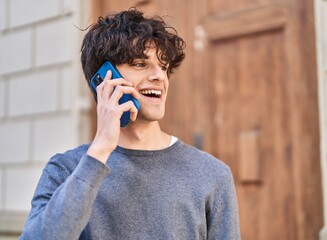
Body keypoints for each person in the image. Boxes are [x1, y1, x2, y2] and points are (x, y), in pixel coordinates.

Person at [20, 8, 241, 239]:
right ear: (105, 78)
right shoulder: (66, 169)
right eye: (139, 64)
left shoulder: (212, 174)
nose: (159, 76)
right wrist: (101, 148)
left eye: (163, 66)